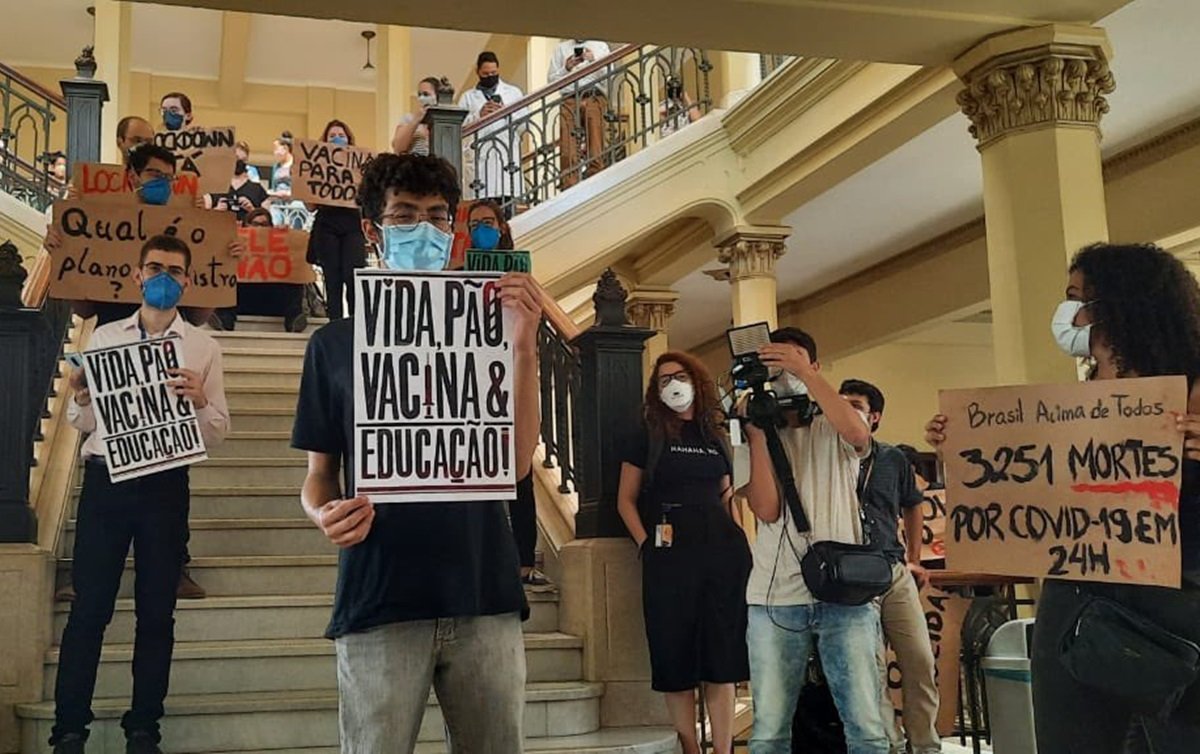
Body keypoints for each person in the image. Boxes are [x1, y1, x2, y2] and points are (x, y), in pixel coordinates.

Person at [292, 152, 543, 752]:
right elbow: (319, 475)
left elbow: (514, 463)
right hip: (380, 594)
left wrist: (525, 348)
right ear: (373, 230)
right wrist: (323, 513)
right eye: (404, 215)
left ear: (453, 230)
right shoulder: (333, 345)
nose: (423, 228)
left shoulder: (494, 329)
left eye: (436, 215)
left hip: (483, 592)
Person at [925, 243, 1200, 753]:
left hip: (1169, 613)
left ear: (1121, 304)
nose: (1068, 312)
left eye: (1078, 297)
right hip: (1075, 607)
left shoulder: (1194, 391)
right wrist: (964, 449)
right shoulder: (1078, 400)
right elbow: (1036, 491)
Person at [49, 234, 230, 754]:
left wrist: (199, 400)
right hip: (107, 481)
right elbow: (83, 423)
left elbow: (218, 432)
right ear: (137, 275)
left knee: (156, 613)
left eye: (174, 271)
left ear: (187, 281)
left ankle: (144, 727)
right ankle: (68, 730)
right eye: (155, 268)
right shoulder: (105, 338)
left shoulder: (204, 347)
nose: (163, 278)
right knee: (89, 610)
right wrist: (82, 398)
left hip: (166, 485)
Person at [741, 327, 889, 754]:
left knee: (865, 726)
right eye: (775, 365)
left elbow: (859, 436)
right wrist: (758, 434)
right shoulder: (753, 429)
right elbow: (767, 509)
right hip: (775, 595)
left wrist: (806, 375)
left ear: (815, 366)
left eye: (791, 360)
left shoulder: (834, 421)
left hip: (844, 591)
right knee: (769, 730)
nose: (784, 371)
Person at [616, 351, 751, 754]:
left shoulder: (715, 435)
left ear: (696, 380)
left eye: (679, 376)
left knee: (722, 656)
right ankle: (690, 745)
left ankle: (724, 748)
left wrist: (742, 539)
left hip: (722, 552)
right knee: (673, 651)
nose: (673, 384)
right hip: (669, 554)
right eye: (663, 380)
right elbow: (625, 500)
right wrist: (646, 545)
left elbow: (728, 495)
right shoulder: (647, 434)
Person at [839, 379, 940, 754]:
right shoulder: (829, 456)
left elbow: (913, 505)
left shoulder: (893, 459)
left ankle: (925, 744)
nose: (846, 410)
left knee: (919, 660)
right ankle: (890, 746)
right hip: (851, 575)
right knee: (872, 669)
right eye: (841, 403)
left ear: (875, 416)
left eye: (855, 404)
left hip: (893, 570)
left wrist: (914, 558)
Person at [466, 199, 549, 589]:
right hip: (474, 382)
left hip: (512, 375)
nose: (481, 229)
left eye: (488, 222)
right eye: (474, 224)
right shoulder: (458, 274)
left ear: (501, 227)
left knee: (522, 472)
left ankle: (523, 560)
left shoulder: (520, 276)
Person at [305, 120, 367, 321]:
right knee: (332, 278)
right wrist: (304, 182)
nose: (337, 139)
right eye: (332, 136)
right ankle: (335, 324)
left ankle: (355, 323)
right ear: (325, 141)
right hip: (326, 226)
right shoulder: (317, 167)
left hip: (352, 226)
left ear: (349, 139)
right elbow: (310, 207)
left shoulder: (359, 167)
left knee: (353, 275)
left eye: (341, 135)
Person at [214, 208, 306, 333]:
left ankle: (294, 320)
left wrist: (288, 241)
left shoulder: (279, 247)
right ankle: (224, 319)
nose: (259, 228)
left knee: (294, 277)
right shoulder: (233, 244)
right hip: (243, 300)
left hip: (273, 300)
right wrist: (230, 255)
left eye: (264, 224)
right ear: (245, 226)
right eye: (255, 224)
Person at [459, 52, 526, 211]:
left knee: (507, 212)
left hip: (506, 162)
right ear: (477, 72)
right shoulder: (467, 97)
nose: (490, 77)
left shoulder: (513, 93)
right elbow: (459, 127)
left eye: (493, 73)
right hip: (480, 165)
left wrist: (506, 112)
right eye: (486, 74)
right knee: (481, 211)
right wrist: (478, 115)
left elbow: (524, 124)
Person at [548, 39, 612, 188]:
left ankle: (596, 179)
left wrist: (594, 61)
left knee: (595, 140)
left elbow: (609, 74)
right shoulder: (561, 48)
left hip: (593, 95)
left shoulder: (600, 46)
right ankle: (569, 183)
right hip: (569, 98)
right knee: (567, 145)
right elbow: (551, 81)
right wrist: (566, 68)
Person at [209, 158, 269, 224]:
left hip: (248, 228)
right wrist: (217, 210)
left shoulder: (257, 189)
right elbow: (204, 216)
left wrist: (252, 210)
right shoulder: (216, 188)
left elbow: (267, 219)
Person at [392, 76, 440, 157]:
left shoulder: (444, 121)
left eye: (426, 94)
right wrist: (416, 120)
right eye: (419, 94)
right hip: (413, 163)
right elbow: (398, 149)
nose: (421, 98)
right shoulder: (408, 119)